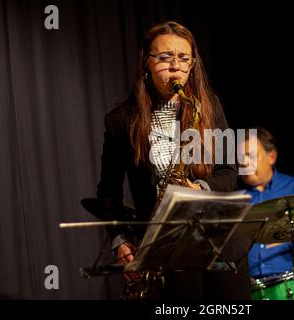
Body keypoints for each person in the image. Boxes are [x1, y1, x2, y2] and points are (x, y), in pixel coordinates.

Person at [95, 21, 251, 300]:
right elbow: (108, 192)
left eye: (183, 58)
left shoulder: (208, 106)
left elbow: (230, 170)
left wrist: (201, 190)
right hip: (166, 243)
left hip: (220, 238)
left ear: (192, 65)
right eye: (165, 57)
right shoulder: (120, 121)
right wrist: (120, 239)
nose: (176, 66)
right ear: (146, 63)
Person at [238, 127, 294, 300]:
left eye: (251, 156)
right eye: (240, 158)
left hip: (293, 281)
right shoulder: (234, 197)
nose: (244, 163)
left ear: (271, 156)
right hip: (246, 289)